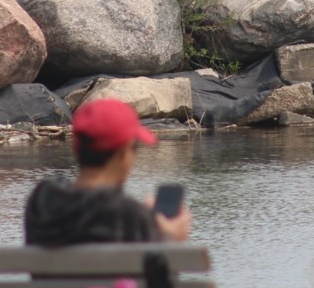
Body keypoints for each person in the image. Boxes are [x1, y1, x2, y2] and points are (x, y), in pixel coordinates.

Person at [24, 98, 192, 246]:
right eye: (135, 148)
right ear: (123, 153)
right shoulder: (131, 216)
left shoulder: (42, 201)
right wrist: (169, 238)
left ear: (77, 149)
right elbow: (155, 281)